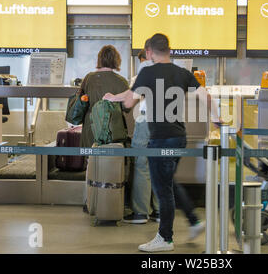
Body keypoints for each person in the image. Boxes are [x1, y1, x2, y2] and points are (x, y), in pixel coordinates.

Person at [103, 33, 221, 252]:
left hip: (159, 138)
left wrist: (113, 98)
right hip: (179, 136)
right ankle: (194, 221)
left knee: (162, 188)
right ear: (169, 50)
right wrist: (215, 119)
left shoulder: (147, 72)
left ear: (149, 52)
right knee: (167, 182)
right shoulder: (183, 73)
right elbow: (206, 97)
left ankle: (165, 238)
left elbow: (130, 100)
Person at [123, 45, 160, 224]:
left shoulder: (144, 69)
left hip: (146, 120)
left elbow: (134, 95)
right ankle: (159, 211)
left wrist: (115, 98)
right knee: (159, 164)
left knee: (141, 163)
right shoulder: (169, 69)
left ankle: (140, 212)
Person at [79, 45, 129, 148]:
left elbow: (81, 101)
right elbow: (126, 108)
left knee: (91, 161)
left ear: (99, 59)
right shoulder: (122, 81)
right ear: (116, 60)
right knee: (111, 162)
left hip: (91, 128)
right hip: (113, 129)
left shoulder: (88, 78)